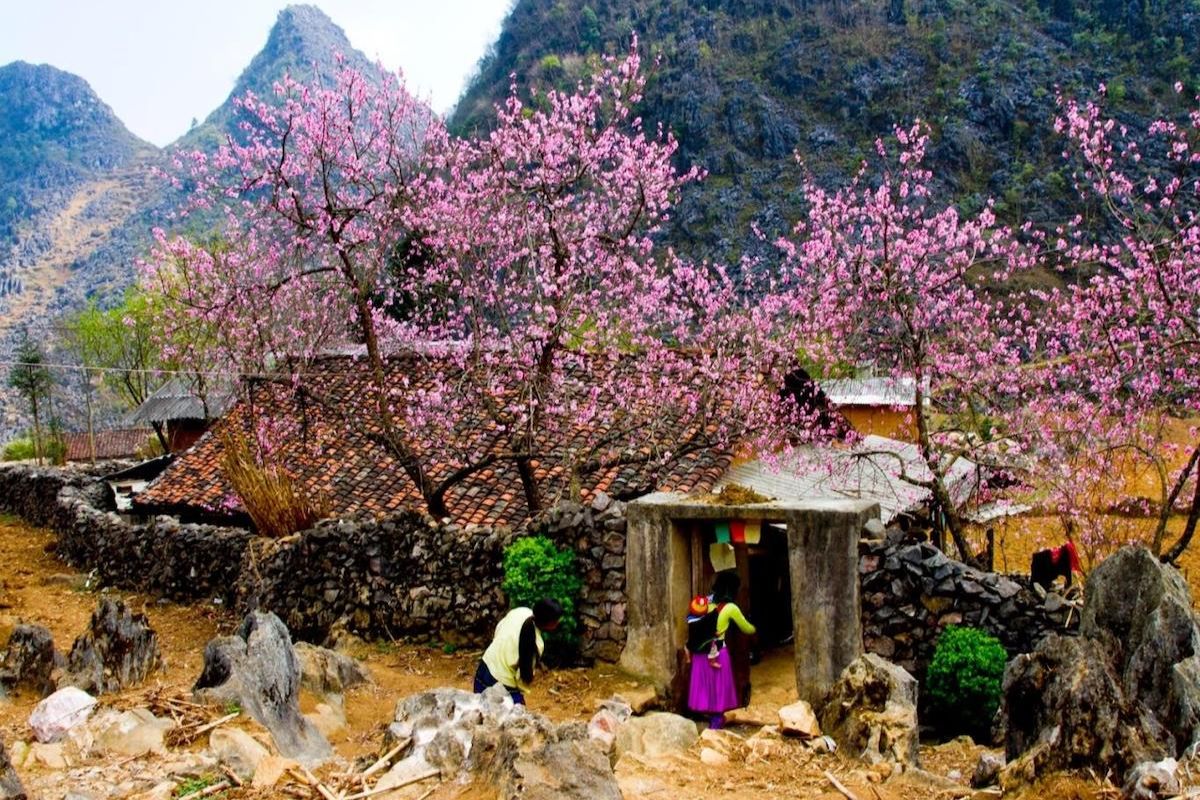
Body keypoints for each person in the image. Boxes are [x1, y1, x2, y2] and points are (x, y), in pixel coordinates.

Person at [685, 571, 756, 729]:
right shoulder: (730, 608)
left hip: (700, 652)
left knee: (705, 687)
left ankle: (707, 716)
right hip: (718, 652)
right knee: (718, 688)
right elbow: (747, 628)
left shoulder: (705, 602)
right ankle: (716, 720)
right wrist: (757, 628)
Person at [474, 598, 562, 705]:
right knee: (518, 713)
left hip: (483, 669)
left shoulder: (521, 611)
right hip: (500, 684)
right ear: (549, 623)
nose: (558, 622)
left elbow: (499, 628)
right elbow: (523, 674)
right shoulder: (537, 643)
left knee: (481, 709)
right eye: (556, 620)